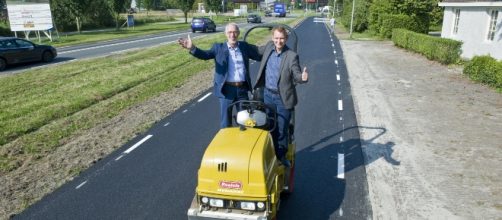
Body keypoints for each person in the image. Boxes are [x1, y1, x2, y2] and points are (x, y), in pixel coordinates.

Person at [178, 23, 262, 128]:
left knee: (246, 121)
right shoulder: (218, 48)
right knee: (226, 122)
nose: (233, 35)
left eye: (235, 32)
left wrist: (274, 46)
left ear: (239, 33)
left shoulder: (244, 46)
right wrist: (192, 48)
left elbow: (259, 55)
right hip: (226, 90)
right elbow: (205, 55)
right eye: (230, 32)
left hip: (242, 89)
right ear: (226, 34)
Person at [253, 26, 308, 166]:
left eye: (282, 38)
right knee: (269, 126)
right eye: (276, 38)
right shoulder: (269, 47)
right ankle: (269, 154)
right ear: (272, 38)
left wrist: (302, 77)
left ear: (286, 39)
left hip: (282, 98)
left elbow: (296, 74)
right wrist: (238, 45)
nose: (279, 41)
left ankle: (281, 157)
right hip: (267, 95)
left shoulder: (291, 56)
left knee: (282, 129)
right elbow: (254, 51)